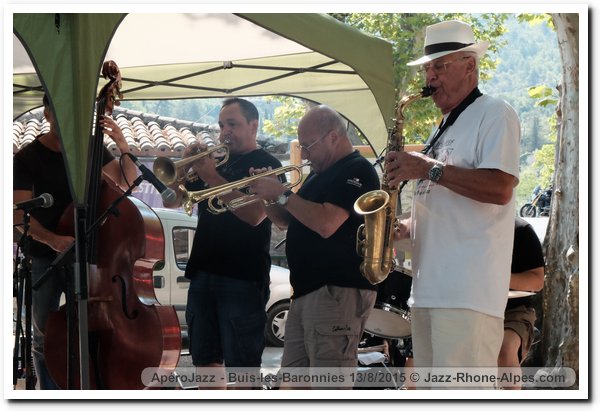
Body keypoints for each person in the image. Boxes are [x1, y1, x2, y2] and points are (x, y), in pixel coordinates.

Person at [385, 20, 521, 388]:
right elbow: (446, 209)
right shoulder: (441, 126)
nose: (430, 77)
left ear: (470, 66)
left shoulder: (495, 113)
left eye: (440, 66)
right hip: (429, 291)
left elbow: (501, 187)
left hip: (467, 295)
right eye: (428, 68)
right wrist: (400, 231)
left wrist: (427, 168)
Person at [249, 105, 380, 389]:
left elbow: (326, 223)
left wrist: (281, 193)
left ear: (333, 137)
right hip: (308, 293)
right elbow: (286, 220)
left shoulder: (357, 170)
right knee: (292, 387)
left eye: (308, 145)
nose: (305, 154)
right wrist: (266, 194)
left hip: (335, 293)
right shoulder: (320, 173)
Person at [13, 94, 137, 389]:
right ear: (47, 115)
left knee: (96, 329)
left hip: (92, 253)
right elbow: (18, 216)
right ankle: (51, 394)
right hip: (47, 256)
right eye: (60, 113)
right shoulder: (28, 158)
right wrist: (54, 240)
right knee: (45, 333)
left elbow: (128, 182)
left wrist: (122, 146)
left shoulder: (91, 147)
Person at [165, 97, 283, 389]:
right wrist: (180, 172)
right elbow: (173, 200)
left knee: (242, 367)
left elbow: (255, 215)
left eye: (232, 124)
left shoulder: (266, 164)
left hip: (242, 277)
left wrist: (211, 176)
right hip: (203, 273)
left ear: (253, 126)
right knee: (205, 361)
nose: (224, 132)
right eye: (221, 125)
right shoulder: (217, 162)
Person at [498, 217, 545, 389]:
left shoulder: (521, 230)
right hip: (468, 308)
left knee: (505, 349)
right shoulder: (459, 228)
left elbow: (537, 281)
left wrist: (494, 278)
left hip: (514, 311)